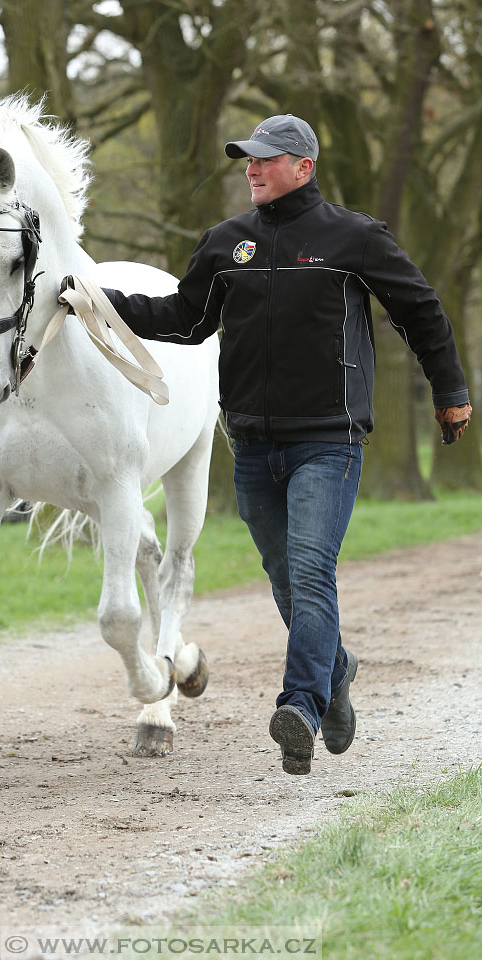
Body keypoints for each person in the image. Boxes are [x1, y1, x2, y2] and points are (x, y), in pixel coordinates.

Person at [61, 114, 472, 776]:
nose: (250, 168)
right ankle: (337, 669)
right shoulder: (228, 243)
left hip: (327, 444)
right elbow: (184, 320)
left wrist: (449, 389)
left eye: (263, 159)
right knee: (286, 577)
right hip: (251, 447)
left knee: (310, 570)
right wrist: (94, 302)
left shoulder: (353, 238)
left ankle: (301, 708)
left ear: (302, 167)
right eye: (246, 160)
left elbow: (420, 309)